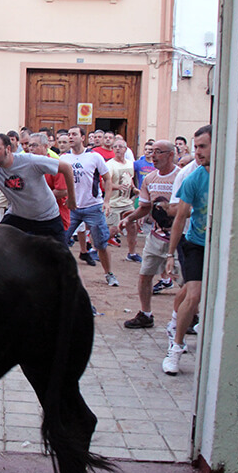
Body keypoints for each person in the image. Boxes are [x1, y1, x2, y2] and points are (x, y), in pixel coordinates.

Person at [162, 125, 212, 375]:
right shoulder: (193, 178)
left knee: (190, 291)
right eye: (196, 147)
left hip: (220, 245)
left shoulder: (231, 176)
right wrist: (170, 254)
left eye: (203, 146)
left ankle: (174, 321)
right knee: (194, 294)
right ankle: (176, 347)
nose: (197, 152)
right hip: (194, 243)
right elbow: (180, 218)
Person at [119, 140, 179, 329]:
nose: (153, 156)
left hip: (180, 238)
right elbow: (145, 207)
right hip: (156, 237)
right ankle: (146, 314)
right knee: (145, 275)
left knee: (186, 281)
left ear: (171, 154)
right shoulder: (150, 179)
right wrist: (129, 219)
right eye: (152, 152)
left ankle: (191, 315)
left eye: (158, 152)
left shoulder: (182, 177)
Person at [61, 126, 119, 286]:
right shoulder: (63, 158)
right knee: (61, 241)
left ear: (83, 138)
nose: (71, 137)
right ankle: (62, 276)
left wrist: (106, 201)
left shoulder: (94, 157)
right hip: (71, 207)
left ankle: (109, 274)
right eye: (69, 134)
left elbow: (107, 179)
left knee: (101, 243)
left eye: (74, 134)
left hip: (93, 206)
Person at [106, 139, 140, 262]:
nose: (118, 149)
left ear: (126, 149)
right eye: (115, 147)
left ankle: (132, 253)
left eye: (120, 146)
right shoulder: (110, 164)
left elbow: (129, 178)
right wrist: (117, 187)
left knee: (132, 227)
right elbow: (106, 183)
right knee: (113, 230)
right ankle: (95, 248)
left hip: (126, 202)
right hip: (114, 202)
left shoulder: (130, 164)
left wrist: (134, 189)